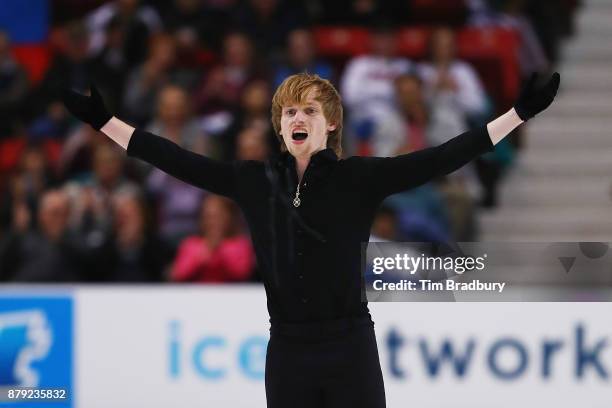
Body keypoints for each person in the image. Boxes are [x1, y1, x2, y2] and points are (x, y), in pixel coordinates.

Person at [62, 71, 560, 407]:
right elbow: (173, 158)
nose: (297, 119)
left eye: (308, 112)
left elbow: (443, 157)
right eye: (288, 114)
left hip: (350, 348)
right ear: (280, 127)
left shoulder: (359, 179)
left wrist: (516, 113)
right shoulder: (252, 181)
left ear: (331, 123)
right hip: (289, 352)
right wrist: (104, 121)